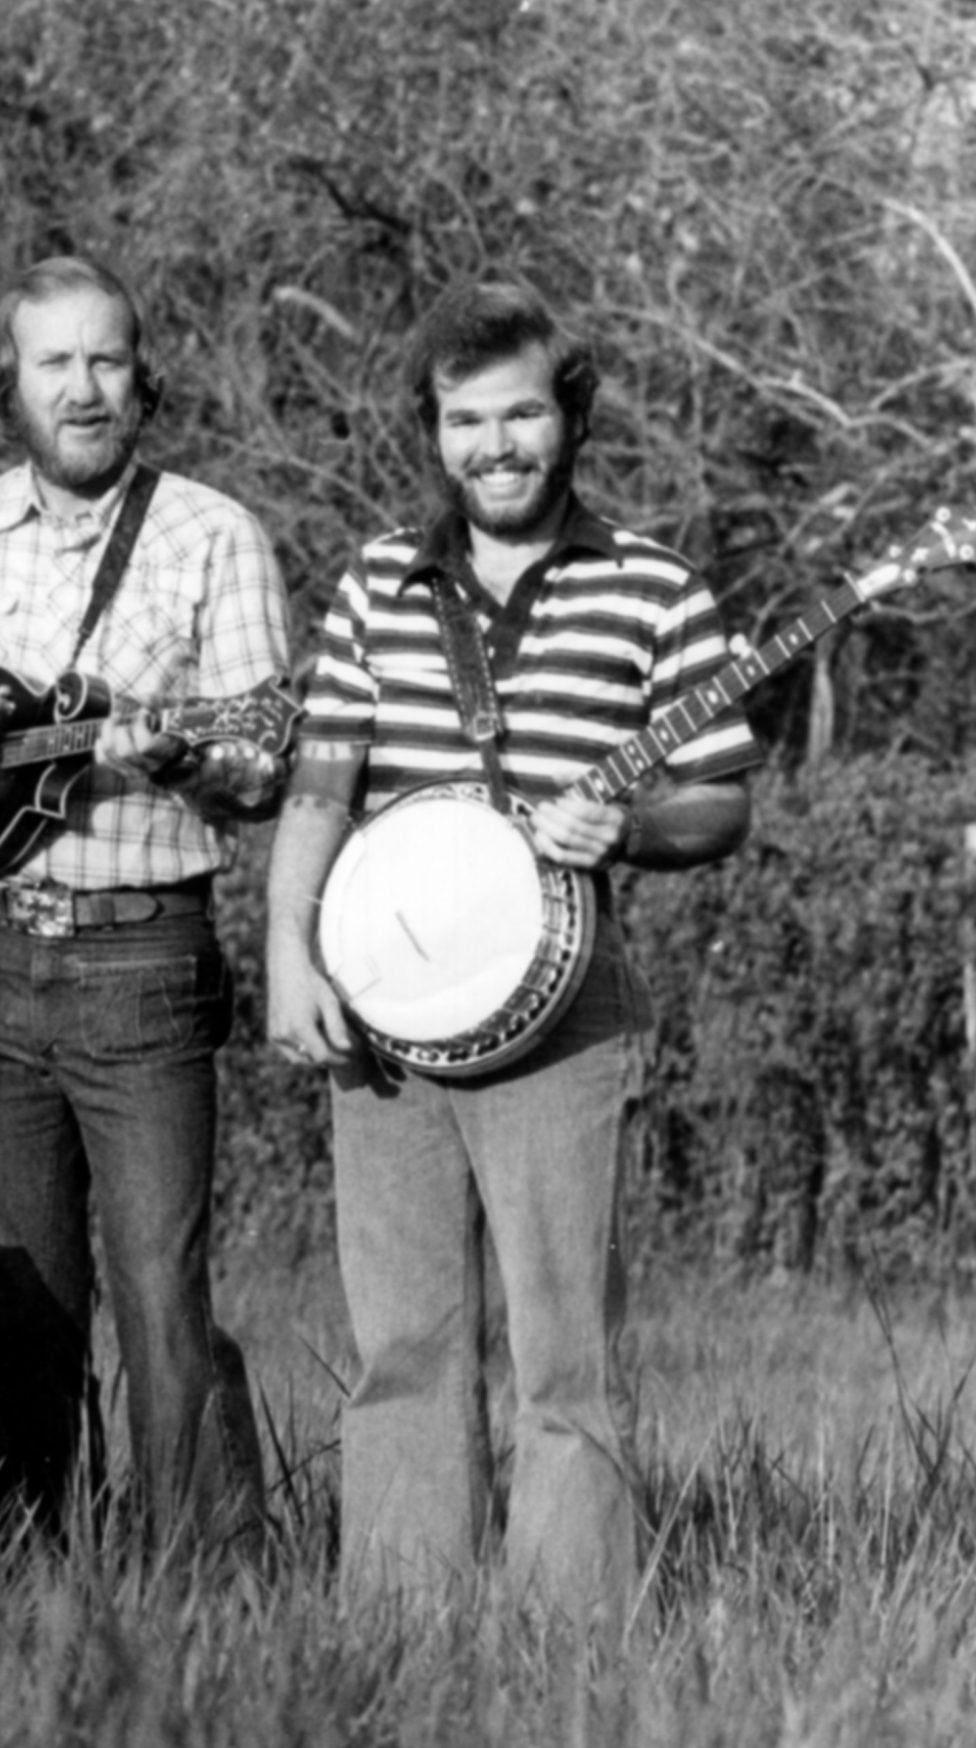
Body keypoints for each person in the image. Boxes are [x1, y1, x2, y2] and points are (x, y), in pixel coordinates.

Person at [265, 280, 757, 1625]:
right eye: (465, 419)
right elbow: (320, 782)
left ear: (569, 413)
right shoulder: (377, 576)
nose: (496, 444)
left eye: (522, 412)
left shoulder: (652, 584)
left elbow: (720, 798)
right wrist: (288, 954)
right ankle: (404, 1635)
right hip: (384, 1016)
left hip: (572, 1016)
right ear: (433, 432)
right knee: (403, 1348)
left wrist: (635, 820)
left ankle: (570, 1647)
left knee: (566, 1357)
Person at [0, 255, 283, 1549]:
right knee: (13, 1297)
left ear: (144, 380)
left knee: (160, 1294)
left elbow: (263, 761)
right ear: (8, 387)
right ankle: (16, 1579)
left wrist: (186, 752)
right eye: (55, 364)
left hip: (144, 961)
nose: (83, 388)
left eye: (106, 360)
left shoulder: (213, 536)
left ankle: (211, 1593)